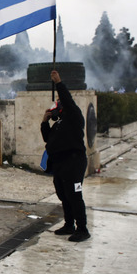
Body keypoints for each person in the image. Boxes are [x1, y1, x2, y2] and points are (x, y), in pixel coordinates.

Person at [41, 70, 91, 243]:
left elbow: (68, 101)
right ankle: (69, 224)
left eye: (60, 103)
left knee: (74, 195)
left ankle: (82, 228)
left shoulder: (74, 116)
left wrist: (59, 83)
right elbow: (47, 138)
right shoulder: (59, 124)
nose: (58, 106)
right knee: (63, 194)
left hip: (74, 161)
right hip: (60, 163)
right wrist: (44, 121)